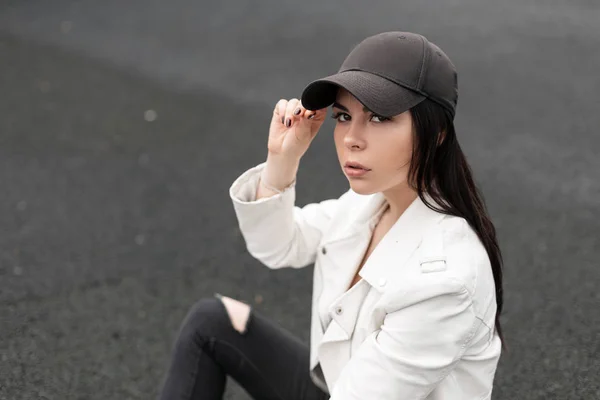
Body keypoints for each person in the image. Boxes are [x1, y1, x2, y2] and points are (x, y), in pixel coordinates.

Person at [157, 31, 504, 400]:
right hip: (342, 388)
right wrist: (282, 159)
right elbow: (277, 245)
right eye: (343, 116)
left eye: (380, 117)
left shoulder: (444, 281)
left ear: (436, 133)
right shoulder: (369, 205)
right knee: (213, 322)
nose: (351, 138)